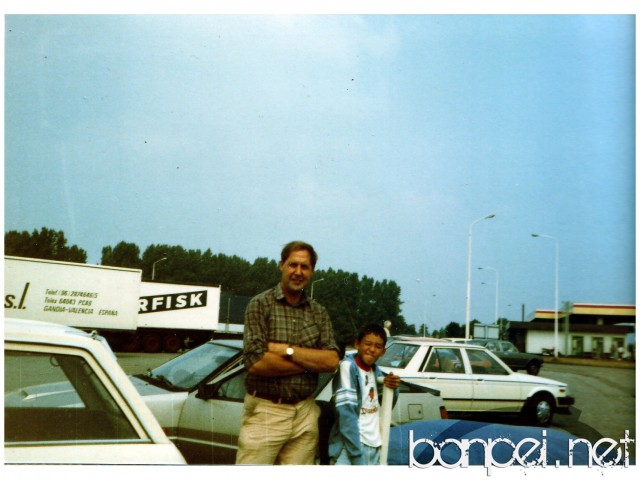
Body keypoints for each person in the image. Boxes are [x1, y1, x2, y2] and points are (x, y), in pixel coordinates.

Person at [236, 241, 340, 465]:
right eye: (293, 265)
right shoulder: (260, 305)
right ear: (281, 265)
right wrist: (311, 361)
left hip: (305, 413)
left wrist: (286, 351)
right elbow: (256, 363)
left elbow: (331, 360)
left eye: (305, 267)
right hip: (266, 411)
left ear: (312, 271)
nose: (298, 272)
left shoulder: (319, 312)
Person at [328, 323, 401, 465]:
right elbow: (346, 414)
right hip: (350, 449)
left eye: (378, 347)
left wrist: (393, 388)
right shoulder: (348, 367)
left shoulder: (376, 371)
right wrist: (356, 456)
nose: (372, 349)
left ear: (383, 352)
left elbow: (386, 405)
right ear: (357, 344)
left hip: (374, 447)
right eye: (368, 344)